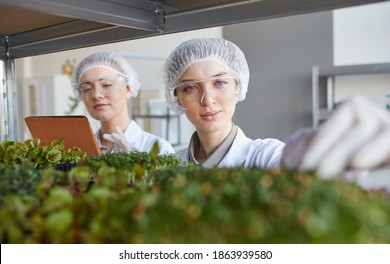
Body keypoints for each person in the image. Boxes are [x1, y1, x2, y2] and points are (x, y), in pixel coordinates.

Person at [163, 38, 390, 183]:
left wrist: (313, 153)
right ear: (176, 97)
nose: (207, 99)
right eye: (191, 88)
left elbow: (295, 175)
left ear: (238, 87)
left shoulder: (266, 155)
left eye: (219, 83)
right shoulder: (169, 166)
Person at [72, 51, 174, 155]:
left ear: (128, 89)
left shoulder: (158, 149)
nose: (96, 95)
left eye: (107, 85)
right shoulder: (79, 152)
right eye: (87, 89)